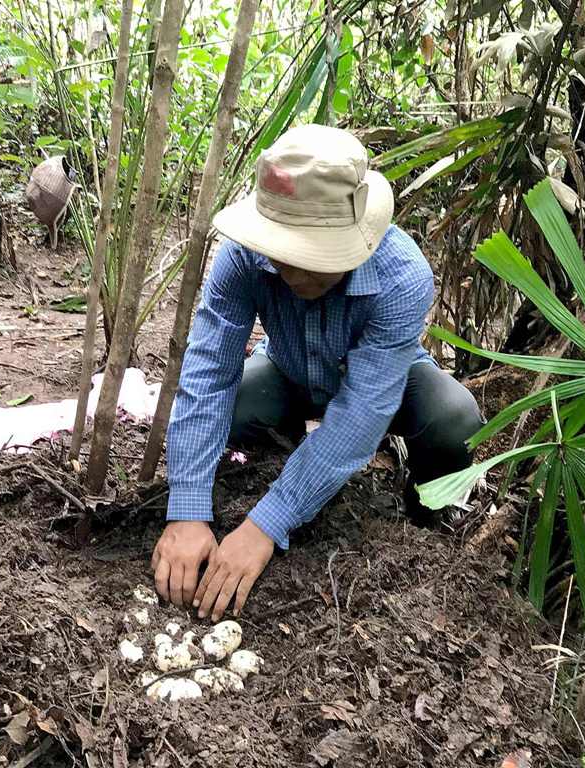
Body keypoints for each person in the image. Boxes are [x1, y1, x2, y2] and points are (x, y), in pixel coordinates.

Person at [151, 125, 484, 622]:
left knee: (453, 420)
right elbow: (207, 374)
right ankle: (277, 468)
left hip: (385, 385)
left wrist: (265, 525)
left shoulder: (401, 277)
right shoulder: (242, 259)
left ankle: (423, 522)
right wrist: (188, 508)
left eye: (313, 258)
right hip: (287, 370)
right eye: (284, 254)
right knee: (235, 409)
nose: (294, 272)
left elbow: (360, 413)